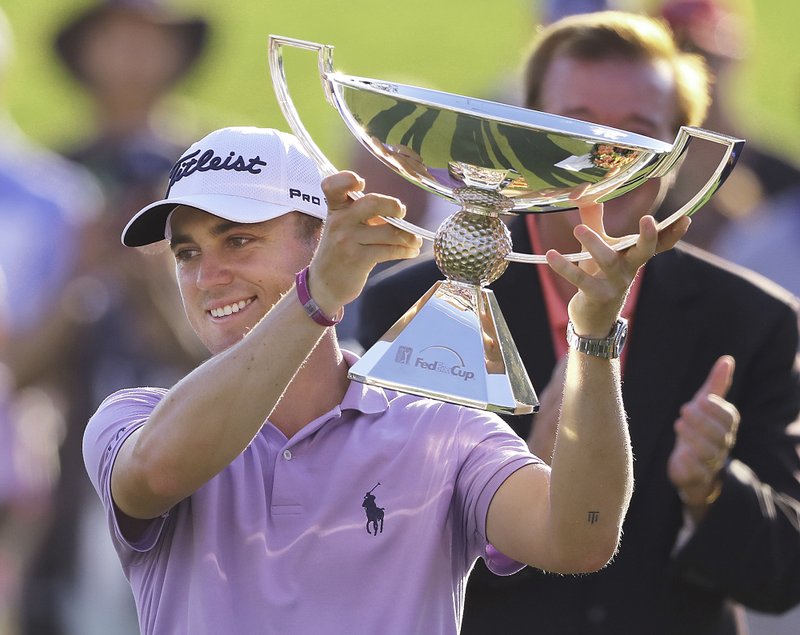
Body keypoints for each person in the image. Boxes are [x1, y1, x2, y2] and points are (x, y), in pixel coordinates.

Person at [82, 125, 687, 634]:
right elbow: (159, 471)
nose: (207, 276)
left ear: (319, 241)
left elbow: (579, 537)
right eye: (186, 253)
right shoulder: (131, 418)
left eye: (239, 240)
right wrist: (315, 294)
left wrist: (594, 338)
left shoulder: (442, 427)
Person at [356, 11, 800, 635]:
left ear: (679, 149)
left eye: (637, 131)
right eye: (575, 126)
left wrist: (712, 488)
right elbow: (376, 538)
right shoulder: (414, 299)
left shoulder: (753, 320)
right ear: (524, 126)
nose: (604, 155)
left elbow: (781, 579)